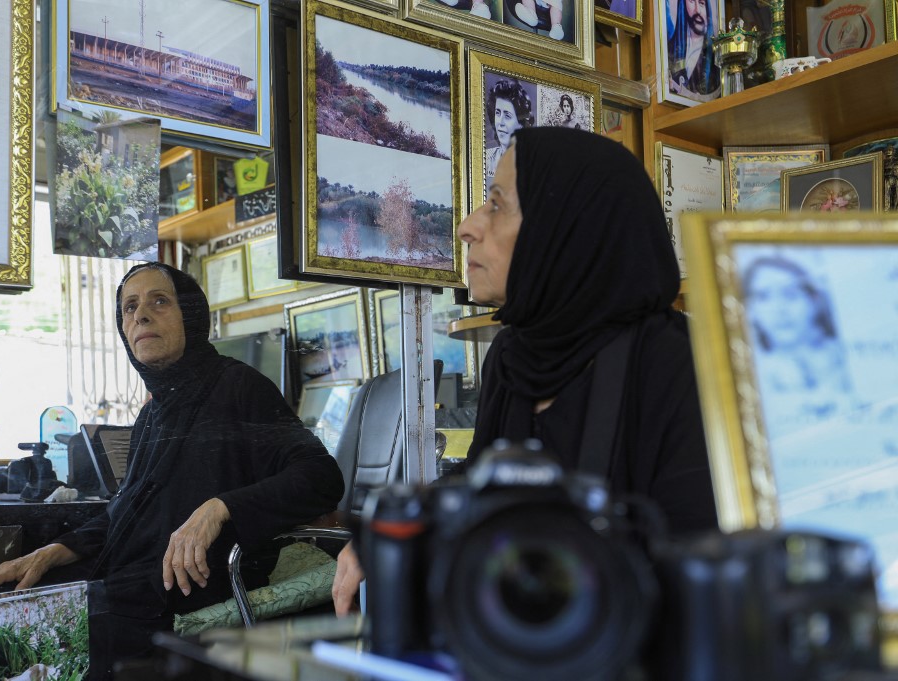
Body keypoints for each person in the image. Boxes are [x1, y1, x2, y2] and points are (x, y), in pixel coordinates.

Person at [333, 127, 718, 616]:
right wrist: (392, 532)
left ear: (567, 227)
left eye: (496, 204)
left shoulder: (680, 364)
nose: (468, 226)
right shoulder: (513, 354)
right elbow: (481, 480)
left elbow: (694, 571)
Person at [0, 262, 344, 678]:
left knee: (28, 628)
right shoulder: (153, 413)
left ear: (192, 316)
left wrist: (219, 508)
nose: (139, 315)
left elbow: (321, 477)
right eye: (128, 307)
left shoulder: (239, 387)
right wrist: (50, 552)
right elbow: (127, 512)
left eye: (159, 301)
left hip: (189, 581)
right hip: (132, 572)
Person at [742, 255, 854, 431]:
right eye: (764, 297)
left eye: (790, 294)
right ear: (751, 310)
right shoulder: (745, 377)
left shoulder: (852, 359)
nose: (779, 309)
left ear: (814, 300)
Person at [484, 79, 533, 187]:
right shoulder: (486, 159)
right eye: (497, 113)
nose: (500, 122)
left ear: (521, 124)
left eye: (507, 116)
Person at [667, 0, 721, 100]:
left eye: (701, 3)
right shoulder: (670, 50)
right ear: (683, 6)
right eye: (691, 1)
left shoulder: (716, 59)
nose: (698, 11)